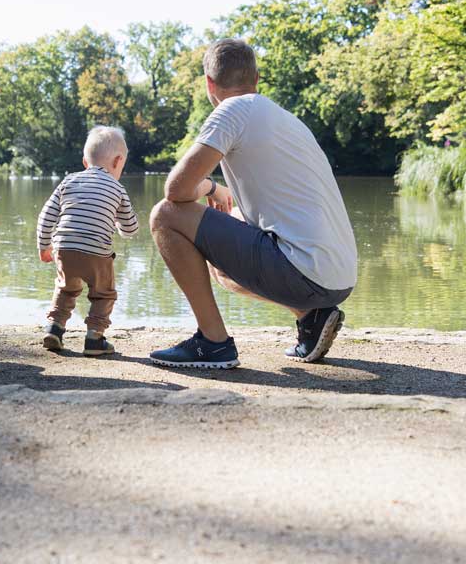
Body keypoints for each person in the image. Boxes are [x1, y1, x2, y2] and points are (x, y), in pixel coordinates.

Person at [148, 38, 357, 369]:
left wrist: (210, 186)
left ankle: (213, 343)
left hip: (305, 273)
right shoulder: (286, 119)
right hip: (340, 277)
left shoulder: (232, 109)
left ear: (209, 83)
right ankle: (310, 316)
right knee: (227, 224)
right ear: (256, 78)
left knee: (164, 216)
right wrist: (217, 194)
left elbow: (176, 191)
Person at [36, 126, 139, 356]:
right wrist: (118, 225)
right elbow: (131, 228)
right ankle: (94, 338)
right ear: (118, 161)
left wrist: (44, 246)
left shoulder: (68, 181)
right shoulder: (117, 188)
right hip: (97, 253)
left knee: (66, 288)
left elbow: (46, 216)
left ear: (85, 162)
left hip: (64, 248)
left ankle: (54, 329)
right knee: (103, 293)